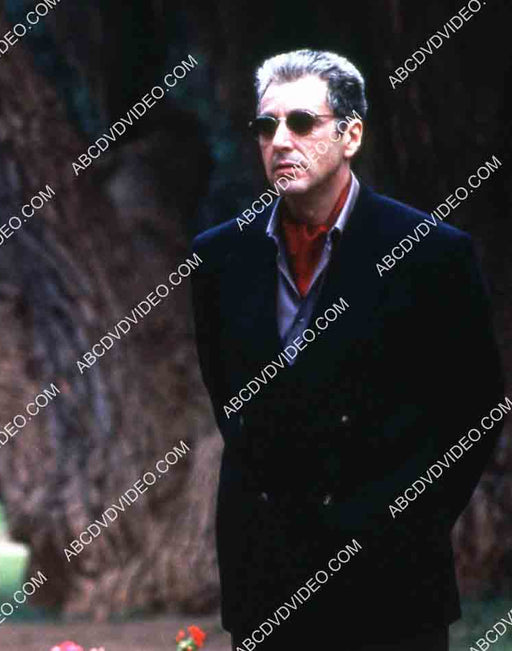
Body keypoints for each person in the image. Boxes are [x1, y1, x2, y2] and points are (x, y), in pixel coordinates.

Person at [190, 49, 505, 651]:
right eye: (266, 126)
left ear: (351, 135)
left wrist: (408, 521)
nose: (280, 141)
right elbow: (228, 398)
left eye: (301, 122)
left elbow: (475, 409)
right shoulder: (219, 256)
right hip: (267, 582)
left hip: (393, 584)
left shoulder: (429, 251)